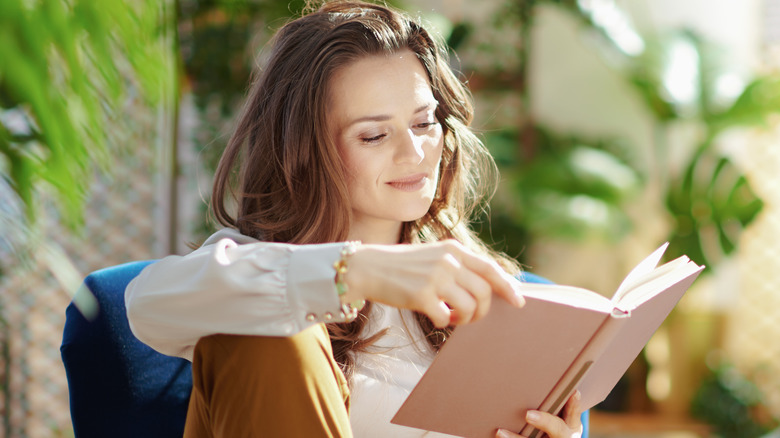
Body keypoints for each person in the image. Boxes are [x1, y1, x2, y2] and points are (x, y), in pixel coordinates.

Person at [125, 1, 585, 437]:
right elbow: (145, 302)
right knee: (268, 326)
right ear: (307, 153)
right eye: (373, 135)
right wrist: (356, 271)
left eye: (424, 123)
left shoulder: (482, 296)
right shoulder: (253, 268)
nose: (415, 152)